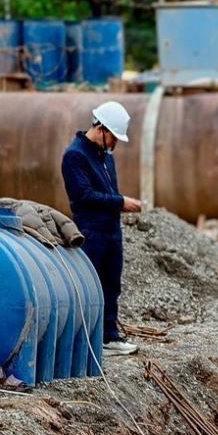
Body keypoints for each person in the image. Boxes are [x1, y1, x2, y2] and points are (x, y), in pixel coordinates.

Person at [61, 101, 144, 356]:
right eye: (114, 138)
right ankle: (88, 339)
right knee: (92, 286)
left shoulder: (105, 156)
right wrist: (120, 203)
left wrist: (118, 204)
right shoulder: (75, 156)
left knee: (111, 285)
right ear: (101, 129)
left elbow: (107, 191)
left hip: (111, 230)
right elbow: (84, 196)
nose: (115, 144)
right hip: (92, 231)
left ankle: (109, 337)